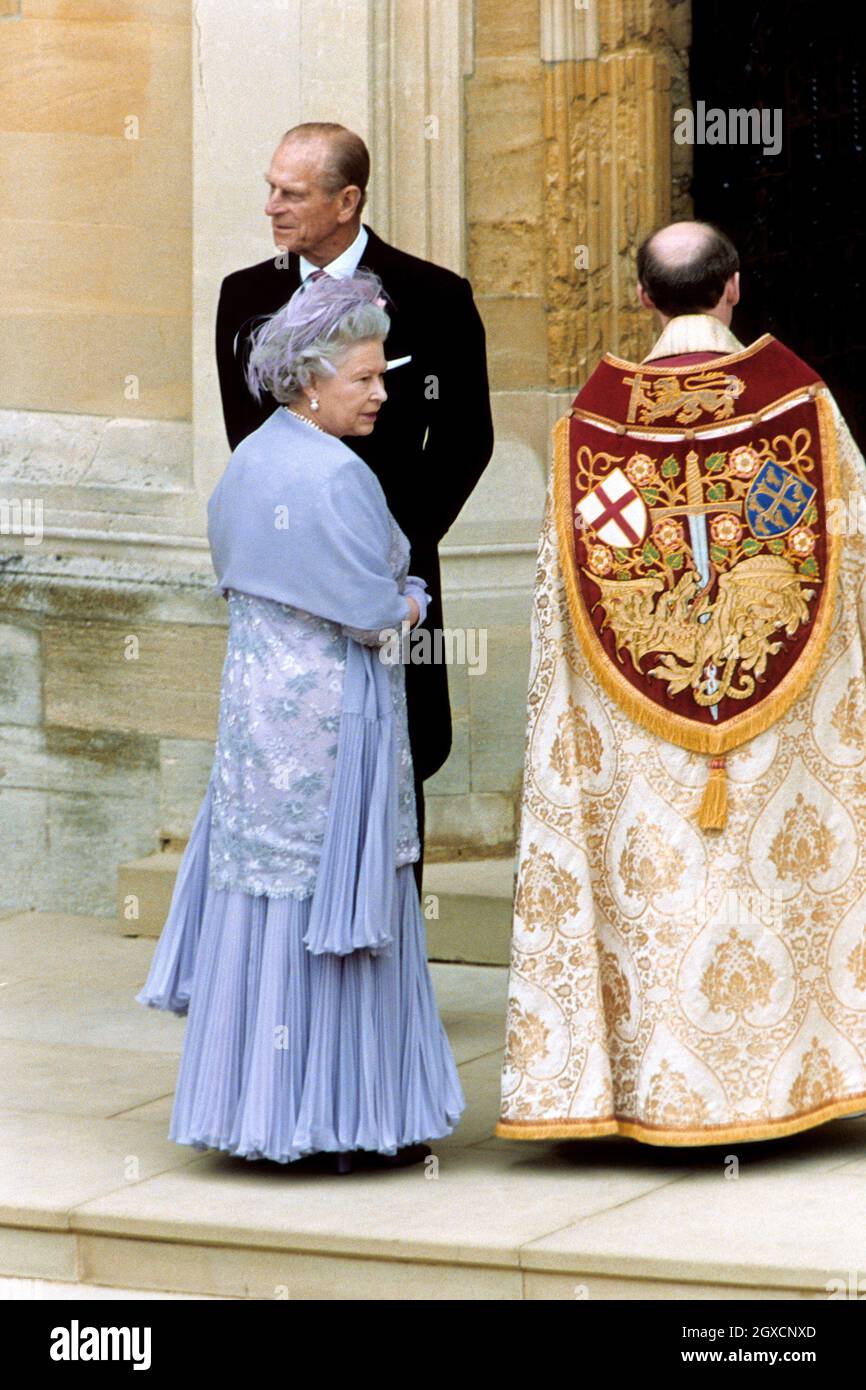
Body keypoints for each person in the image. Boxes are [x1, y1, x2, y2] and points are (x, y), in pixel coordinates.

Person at [496, 220, 866, 1147]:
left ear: (641, 298)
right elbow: (850, 548)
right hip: (783, 728)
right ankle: (796, 1084)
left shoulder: (589, 425)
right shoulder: (803, 407)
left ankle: (654, 1094)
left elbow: (558, 601)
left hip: (639, 739)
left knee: (662, 889)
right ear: (733, 288)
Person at [136, 270, 465, 1173]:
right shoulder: (337, 477)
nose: (382, 393)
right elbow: (368, 610)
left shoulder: (250, 462)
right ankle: (347, 1119)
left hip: (255, 725)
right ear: (312, 378)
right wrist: (407, 601)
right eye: (366, 378)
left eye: (382, 375)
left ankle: (263, 1114)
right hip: (335, 726)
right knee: (338, 910)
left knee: (267, 906)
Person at [215, 121, 495, 896]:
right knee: (287, 759)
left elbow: (468, 438)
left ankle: (386, 967)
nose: (272, 205)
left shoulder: (436, 295)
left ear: (347, 201)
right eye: (271, 187)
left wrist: (389, 545)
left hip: (390, 570)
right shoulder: (245, 296)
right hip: (288, 588)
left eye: (292, 193)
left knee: (403, 749)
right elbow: (254, 444)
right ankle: (299, 967)